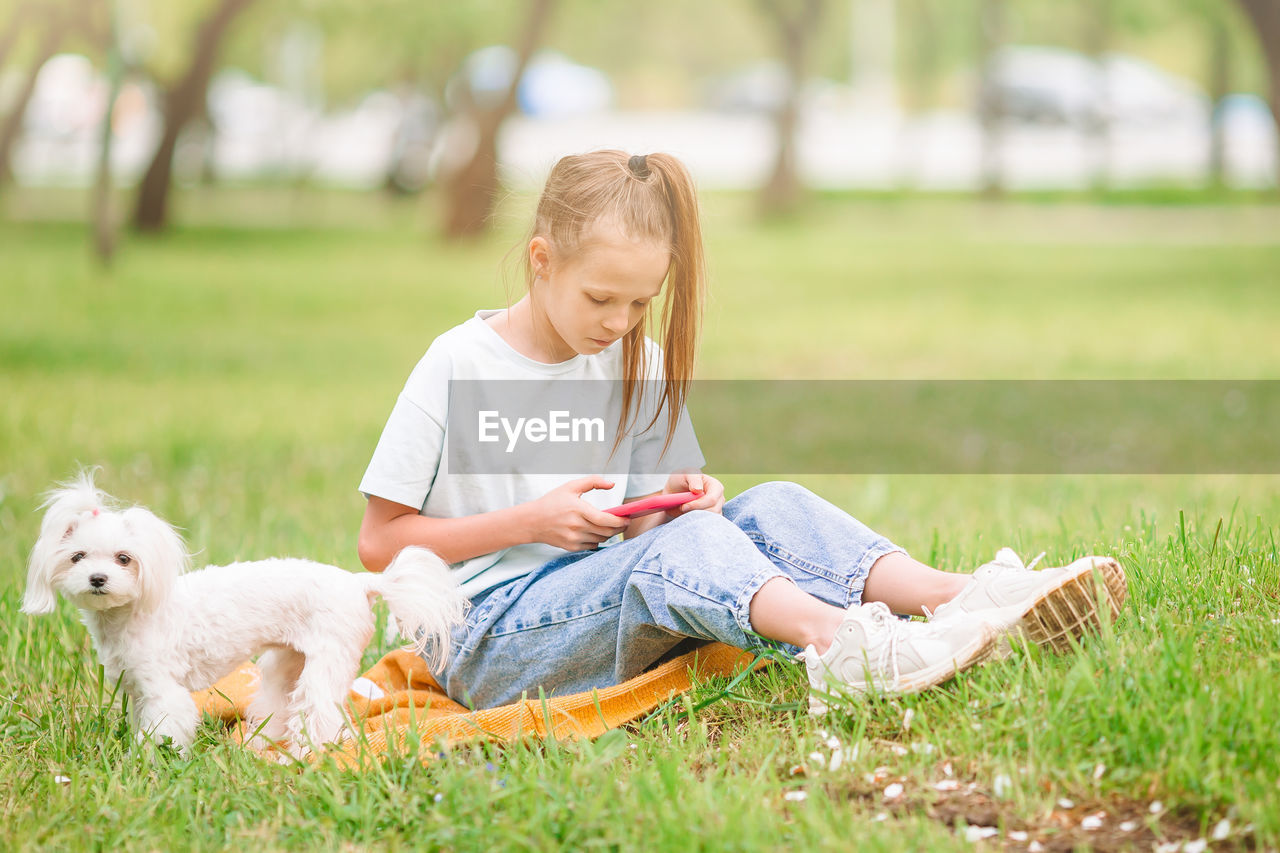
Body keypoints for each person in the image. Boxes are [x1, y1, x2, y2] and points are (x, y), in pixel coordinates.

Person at [355, 150, 1126, 713]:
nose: (619, 322)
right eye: (600, 298)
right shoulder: (457, 363)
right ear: (540, 261)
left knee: (772, 503)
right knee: (688, 547)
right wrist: (532, 522)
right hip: (486, 640)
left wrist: (682, 503)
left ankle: (964, 599)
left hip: (591, 606)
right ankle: (840, 646)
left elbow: (651, 541)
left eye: (638, 303)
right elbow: (380, 542)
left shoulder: (638, 359)